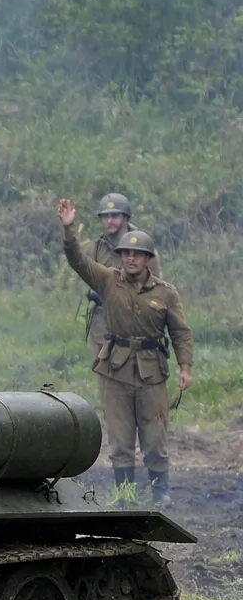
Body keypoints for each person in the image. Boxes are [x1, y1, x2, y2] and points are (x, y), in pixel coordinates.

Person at [57, 198, 192, 504]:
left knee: (155, 434)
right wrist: (68, 230)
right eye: (125, 253)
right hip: (115, 367)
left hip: (151, 369)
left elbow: (181, 332)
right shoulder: (108, 281)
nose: (130, 258)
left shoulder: (165, 292)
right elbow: (78, 260)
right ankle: (125, 491)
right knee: (119, 435)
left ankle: (160, 490)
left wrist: (185, 367)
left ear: (147, 258)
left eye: (137, 254)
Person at [80, 193, 162, 354]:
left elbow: (155, 285)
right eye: (105, 216)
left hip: (135, 319)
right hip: (103, 319)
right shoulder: (94, 249)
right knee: (104, 368)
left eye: (115, 216)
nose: (109, 221)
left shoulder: (143, 246)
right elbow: (86, 281)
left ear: (125, 217)